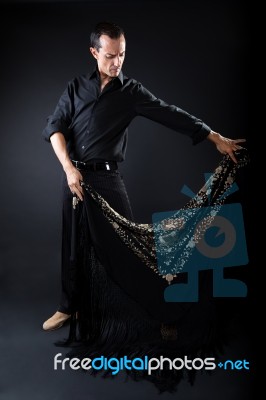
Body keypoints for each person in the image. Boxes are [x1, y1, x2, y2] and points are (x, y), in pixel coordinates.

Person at [42, 21, 245, 332]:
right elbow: (56, 128)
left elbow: (170, 112)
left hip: (106, 181)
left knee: (128, 254)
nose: (117, 62)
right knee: (72, 247)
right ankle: (70, 307)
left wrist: (213, 135)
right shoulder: (75, 88)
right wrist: (69, 169)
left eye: (121, 54)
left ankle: (167, 314)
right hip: (73, 178)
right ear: (94, 52)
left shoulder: (131, 92)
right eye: (110, 55)